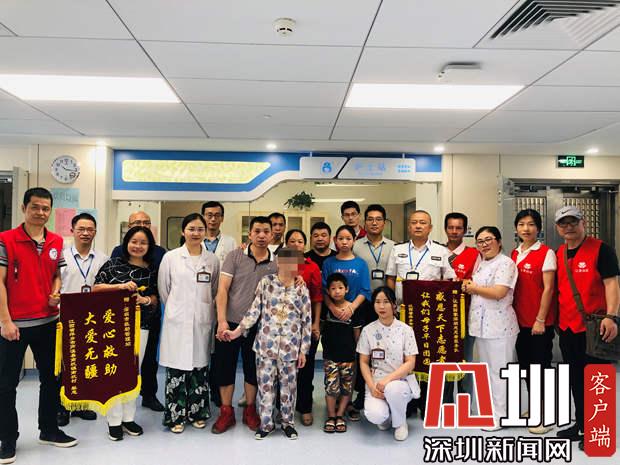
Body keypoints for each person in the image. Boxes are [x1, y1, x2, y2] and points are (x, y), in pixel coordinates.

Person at [0, 188, 77, 464]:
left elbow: (57, 274)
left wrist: (55, 292)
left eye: (45, 208)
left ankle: (49, 429)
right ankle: (8, 439)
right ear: (24, 208)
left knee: (51, 379)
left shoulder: (56, 240)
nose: (40, 212)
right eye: (35, 207)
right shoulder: (6, 240)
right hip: (14, 325)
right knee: (6, 384)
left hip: (48, 322)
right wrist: (5, 321)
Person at [222, 248, 312, 440]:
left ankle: (287, 423)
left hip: (290, 348)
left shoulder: (301, 288)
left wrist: (303, 350)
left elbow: (306, 321)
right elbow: (254, 311)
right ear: (278, 262)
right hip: (265, 347)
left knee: (289, 388)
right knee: (265, 386)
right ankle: (266, 424)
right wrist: (237, 332)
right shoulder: (266, 283)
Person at [553, 206, 619, 450]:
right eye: (563, 223)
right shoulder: (559, 253)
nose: (569, 227)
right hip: (568, 328)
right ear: (557, 228)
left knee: (597, 379)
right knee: (576, 379)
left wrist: (612, 316)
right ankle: (581, 424)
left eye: (573, 222)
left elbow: (612, 284)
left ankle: (599, 430)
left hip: (596, 327)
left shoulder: (602, 250)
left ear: (584, 223)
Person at [385, 210, 455, 417]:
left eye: (423, 223)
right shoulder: (398, 250)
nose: (418, 226)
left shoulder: (441, 251)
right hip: (403, 313)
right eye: (414, 222)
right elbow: (390, 278)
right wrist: (392, 306)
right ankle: (406, 403)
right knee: (402, 357)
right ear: (409, 226)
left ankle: (427, 403)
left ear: (430, 228)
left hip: (430, 315)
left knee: (427, 356)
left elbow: (448, 280)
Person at [211, 216, 277, 434]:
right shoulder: (235, 256)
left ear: (272, 235)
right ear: (249, 234)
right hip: (230, 322)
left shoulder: (277, 262)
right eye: (257, 231)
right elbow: (222, 289)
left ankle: (250, 409)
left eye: (266, 231)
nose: (261, 235)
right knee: (224, 368)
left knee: (253, 369)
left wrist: (298, 278)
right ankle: (226, 411)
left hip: (260, 326)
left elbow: (289, 285)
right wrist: (221, 321)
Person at [94, 226, 159, 441]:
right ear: (126, 243)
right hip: (113, 325)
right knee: (114, 371)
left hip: (141, 326)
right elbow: (95, 288)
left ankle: (128, 418)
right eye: (134, 241)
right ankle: (114, 420)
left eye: (143, 242)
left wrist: (144, 300)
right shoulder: (113, 264)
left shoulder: (151, 269)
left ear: (149, 246)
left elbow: (156, 298)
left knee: (134, 372)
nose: (138, 246)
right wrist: (120, 287)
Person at [158, 213, 219, 433]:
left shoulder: (212, 260)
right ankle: (175, 416)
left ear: (205, 232)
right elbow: (164, 290)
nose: (196, 233)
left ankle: (197, 413)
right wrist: (177, 310)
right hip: (177, 321)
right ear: (183, 231)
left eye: (200, 229)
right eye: (191, 229)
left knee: (199, 369)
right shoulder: (171, 258)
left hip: (201, 321)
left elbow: (214, 290)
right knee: (176, 369)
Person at [462, 226, 519, 431]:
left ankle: (501, 416)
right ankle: (492, 411)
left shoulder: (506, 263)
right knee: (487, 370)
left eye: (489, 239)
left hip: (499, 326)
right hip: (482, 326)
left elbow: (498, 292)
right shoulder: (482, 263)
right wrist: (469, 286)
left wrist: (473, 288)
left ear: (499, 241)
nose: (484, 244)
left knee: (500, 372)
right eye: (480, 241)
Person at [111, 211, 166, 412]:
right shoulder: (118, 251)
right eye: (136, 222)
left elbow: (163, 283)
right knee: (123, 359)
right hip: (123, 315)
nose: (142, 225)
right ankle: (119, 400)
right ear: (129, 226)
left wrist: (150, 300)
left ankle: (149, 395)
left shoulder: (160, 253)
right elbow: (111, 280)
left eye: (146, 222)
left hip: (150, 312)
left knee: (150, 357)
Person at [57, 213, 108, 426]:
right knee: (64, 365)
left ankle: (82, 405)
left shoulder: (103, 259)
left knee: (87, 361)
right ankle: (62, 407)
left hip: (91, 320)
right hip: (65, 318)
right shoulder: (62, 257)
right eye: (81, 229)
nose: (85, 233)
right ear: (72, 231)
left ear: (95, 232)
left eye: (90, 229)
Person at [511, 209, 556, 434]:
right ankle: (534, 407)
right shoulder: (515, 253)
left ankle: (546, 415)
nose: (526, 229)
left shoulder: (546, 253)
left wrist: (540, 319)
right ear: (516, 228)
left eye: (531, 224)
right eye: (521, 224)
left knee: (541, 367)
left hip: (539, 322)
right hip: (518, 322)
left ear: (538, 228)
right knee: (527, 367)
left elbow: (549, 289)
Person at [322, 225, 371, 422]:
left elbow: (365, 290)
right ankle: (332, 407)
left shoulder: (361, 264)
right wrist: (332, 308)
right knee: (333, 361)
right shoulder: (329, 262)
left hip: (355, 315)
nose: (344, 242)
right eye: (340, 238)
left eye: (348, 238)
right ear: (335, 240)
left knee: (352, 359)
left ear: (354, 240)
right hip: (333, 316)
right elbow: (324, 289)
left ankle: (347, 403)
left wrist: (351, 308)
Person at [358, 286, 420, 441]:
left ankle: (400, 423)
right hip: (376, 382)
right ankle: (385, 417)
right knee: (375, 415)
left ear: (394, 305)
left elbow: (410, 363)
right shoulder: (368, 330)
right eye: (377, 302)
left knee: (393, 389)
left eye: (386, 302)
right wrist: (372, 386)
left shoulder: (405, 330)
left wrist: (387, 380)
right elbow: (363, 362)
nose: (381, 306)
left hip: (399, 381)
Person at [201, 201, 237, 408]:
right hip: (200, 302)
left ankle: (215, 392)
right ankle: (199, 391)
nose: (212, 219)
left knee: (219, 351)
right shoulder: (194, 239)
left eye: (216, 215)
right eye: (209, 215)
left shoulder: (230, 242)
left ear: (222, 218)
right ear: (203, 217)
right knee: (200, 348)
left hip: (223, 304)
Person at [285, 229, 322, 426]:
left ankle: (305, 407)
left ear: (304, 245)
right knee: (284, 369)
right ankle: (283, 407)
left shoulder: (311, 266)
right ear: (286, 244)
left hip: (306, 327)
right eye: (292, 241)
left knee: (305, 369)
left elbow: (317, 297)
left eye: (300, 241)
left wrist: (316, 323)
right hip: (283, 328)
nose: (296, 244)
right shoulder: (279, 264)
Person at [443, 212, 479, 404]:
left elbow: (479, 282)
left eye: (458, 228)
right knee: (443, 358)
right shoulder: (437, 252)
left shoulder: (474, 254)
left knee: (465, 359)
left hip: (465, 315)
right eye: (451, 227)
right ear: (445, 229)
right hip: (441, 315)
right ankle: (445, 403)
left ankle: (465, 403)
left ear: (465, 230)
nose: (454, 231)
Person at [321, 273, 361, 434]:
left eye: (340, 288)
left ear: (347, 289)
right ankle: (331, 416)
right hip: (330, 356)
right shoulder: (326, 309)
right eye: (333, 288)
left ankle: (339, 415)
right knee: (331, 388)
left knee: (346, 388)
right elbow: (321, 328)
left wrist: (357, 353)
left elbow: (357, 335)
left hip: (348, 357)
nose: (337, 291)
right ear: (328, 291)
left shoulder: (353, 310)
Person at [353, 204, 395, 293]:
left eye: (378, 219)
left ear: (384, 222)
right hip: (361, 297)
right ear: (365, 223)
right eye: (370, 219)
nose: (374, 223)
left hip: (386, 298)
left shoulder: (394, 247)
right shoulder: (355, 246)